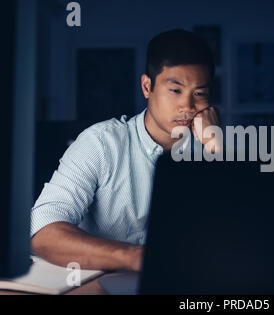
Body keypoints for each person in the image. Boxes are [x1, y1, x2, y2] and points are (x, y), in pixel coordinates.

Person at [30, 29, 220, 272]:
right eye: (175, 90)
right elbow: (42, 230)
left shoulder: (210, 148)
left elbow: (239, 235)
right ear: (147, 86)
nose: (187, 105)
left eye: (199, 93)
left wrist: (217, 151)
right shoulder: (99, 143)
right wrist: (136, 258)